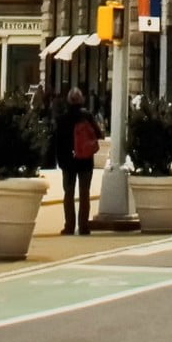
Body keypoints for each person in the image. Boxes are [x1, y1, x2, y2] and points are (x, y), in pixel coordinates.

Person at [54, 87, 103, 235]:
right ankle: (83, 226)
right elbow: (99, 134)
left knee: (68, 194)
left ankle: (69, 226)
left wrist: (60, 160)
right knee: (84, 193)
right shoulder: (87, 116)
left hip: (68, 161)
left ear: (68, 101)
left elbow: (57, 141)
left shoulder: (62, 118)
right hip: (85, 161)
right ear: (82, 100)